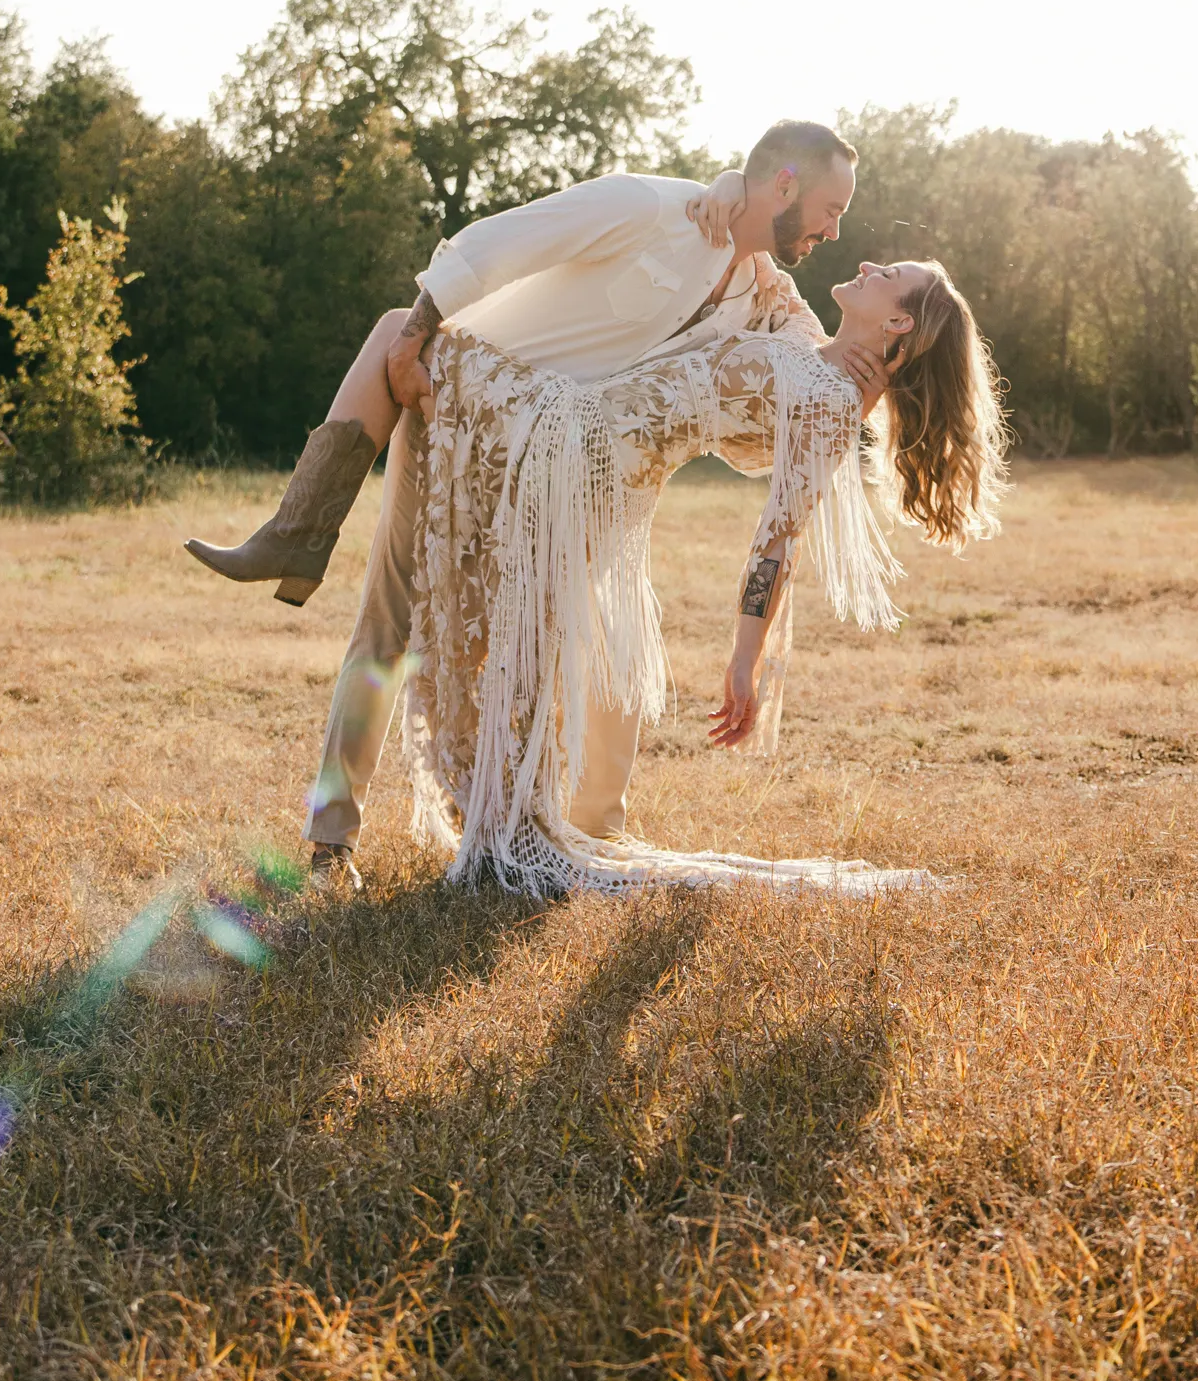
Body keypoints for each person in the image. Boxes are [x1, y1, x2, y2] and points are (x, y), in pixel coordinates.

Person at [184, 122, 882, 884]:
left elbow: (826, 376)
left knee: (579, 633)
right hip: (458, 415)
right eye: (829, 207)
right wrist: (414, 337)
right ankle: (330, 840)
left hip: (550, 475)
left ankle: (586, 824)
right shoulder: (649, 207)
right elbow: (497, 242)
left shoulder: (763, 298)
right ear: (782, 184)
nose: (835, 229)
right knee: (393, 614)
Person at [348, 254, 1006, 896]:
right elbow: (762, 261)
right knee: (506, 631)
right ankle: (498, 810)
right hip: (580, 435)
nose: (867, 267)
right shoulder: (806, 338)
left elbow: (775, 545)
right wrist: (725, 196)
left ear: (898, 326)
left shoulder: (828, 406)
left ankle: (305, 526)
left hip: (584, 462)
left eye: (887, 278)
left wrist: (744, 662)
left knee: (418, 338)